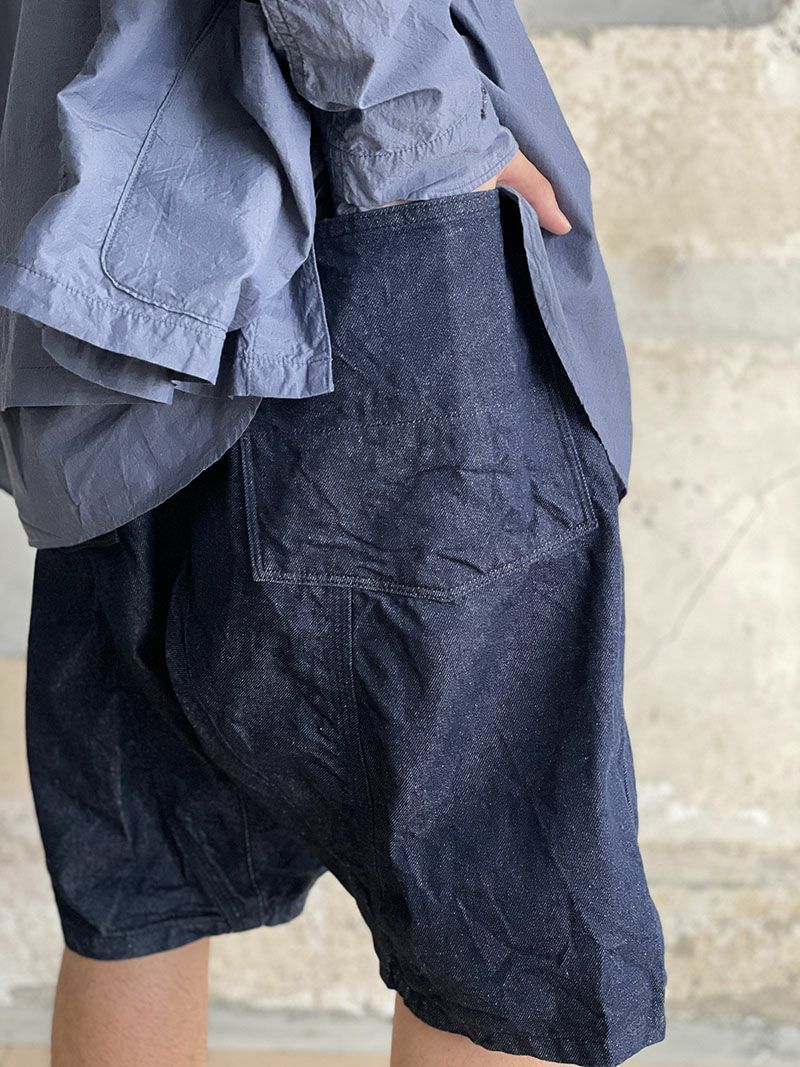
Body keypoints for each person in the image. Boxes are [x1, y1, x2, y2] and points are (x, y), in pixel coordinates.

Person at [0, 0, 667, 1063]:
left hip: (94, 258)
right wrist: (427, 120)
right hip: (362, 230)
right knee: (508, 917)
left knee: (140, 884)